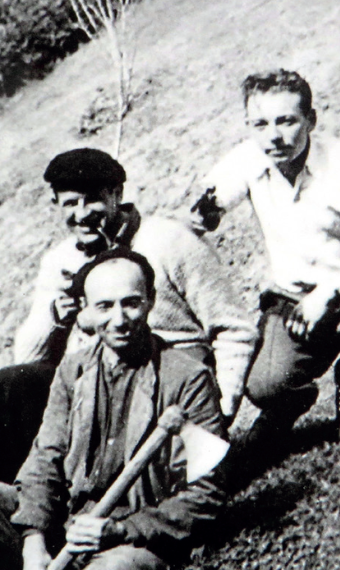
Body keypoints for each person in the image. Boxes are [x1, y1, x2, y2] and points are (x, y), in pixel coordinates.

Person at [0, 148, 256, 482]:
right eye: (70, 204)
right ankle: (29, 495)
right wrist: (55, 317)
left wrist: (221, 410)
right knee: (12, 384)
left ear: (117, 194)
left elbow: (233, 329)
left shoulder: (169, 240)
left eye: (93, 200)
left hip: (166, 378)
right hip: (99, 383)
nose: (82, 214)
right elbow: (28, 359)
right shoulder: (60, 260)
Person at [191, 70, 340, 442]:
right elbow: (199, 213)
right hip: (293, 301)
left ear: (311, 119)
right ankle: (288, 404)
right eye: (260, 124)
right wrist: (200, 212)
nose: (273, 136)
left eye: (287, 121)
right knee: (263, 384)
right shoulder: (248, 158)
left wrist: (328, 292)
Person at [12, 248, 227, 570]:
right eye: (105, 306)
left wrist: (121, 529)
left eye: (131, 303)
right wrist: (34, 541)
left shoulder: (188, 378)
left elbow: (206, 493)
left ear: (151, 300)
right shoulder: (72, 370)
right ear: (86, 310)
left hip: (133, 540)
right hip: (68, 524)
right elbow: (46, 458)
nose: (119, 320)